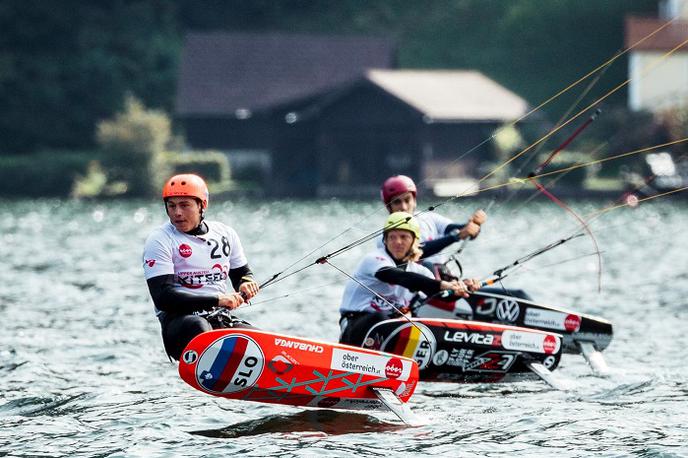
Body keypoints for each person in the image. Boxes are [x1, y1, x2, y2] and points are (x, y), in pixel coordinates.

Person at [142, 174, 260, 360]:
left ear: (202, 205)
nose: (177, 212)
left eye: (184, 205)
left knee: (260, 341)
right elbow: (163, 298)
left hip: (220, 319)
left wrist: (246, 283)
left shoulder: (225, 234)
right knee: (200, 328)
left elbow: (242, 274)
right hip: (180, 325)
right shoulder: (160, 239)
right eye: (171, 206)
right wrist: (217, 299)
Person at [339, 212, 479, 347]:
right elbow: (400, 277)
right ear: (385, 240)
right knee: (382, 320)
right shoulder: (374, 260)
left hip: (390, 328)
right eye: (392, 237)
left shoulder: (420, 270)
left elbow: (439, 295)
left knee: (417, 327)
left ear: (414, 241)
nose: (397, 242)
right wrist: (443, 284)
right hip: (356, 325)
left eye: (403, 237)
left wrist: (461, 288)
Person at [380, 175, 486, 260]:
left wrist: (474, 224)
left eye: (407, 200)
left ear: (414, 201)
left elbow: (457, 229)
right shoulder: (386, 235)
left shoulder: (429, 218)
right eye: (397, 202)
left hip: (441, 279)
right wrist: (456, 236)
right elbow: (416, 252)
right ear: (389, 207)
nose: (403, 207)